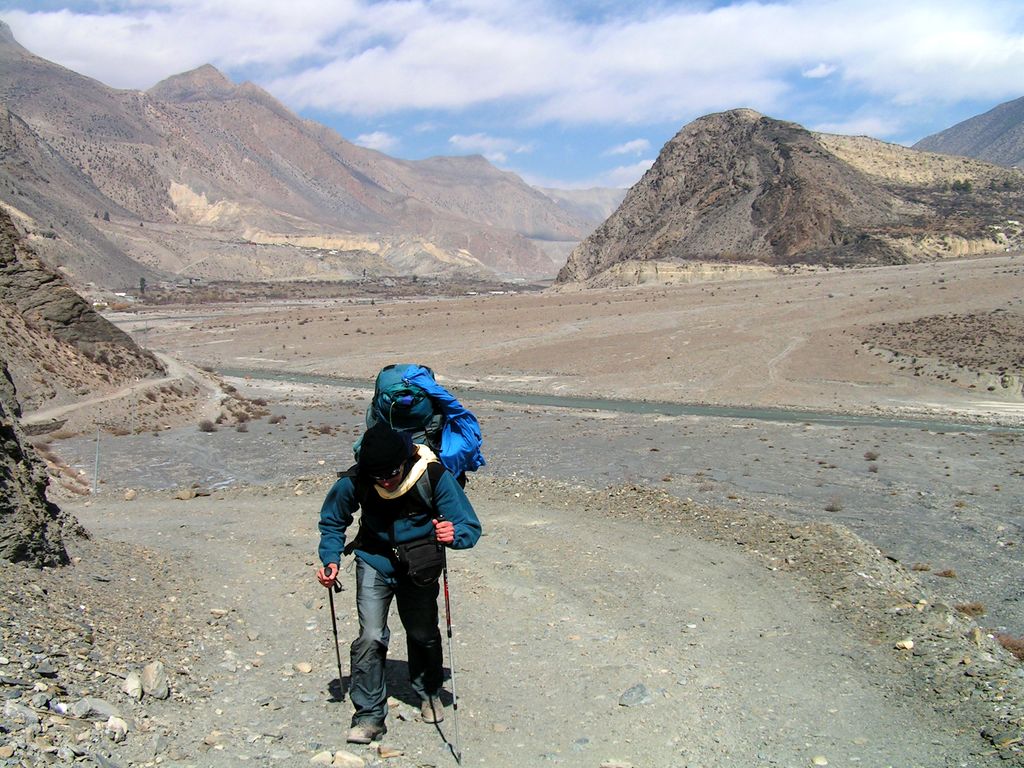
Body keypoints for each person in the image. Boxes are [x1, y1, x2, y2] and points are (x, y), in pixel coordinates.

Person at [316, 421, 482, 744]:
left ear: (404, 461)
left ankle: (429, 691)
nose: (387, 482)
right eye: (379, 477)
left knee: (422, 632)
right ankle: (368, 715)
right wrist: (330, 559)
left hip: (419, 564)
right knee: (370, 636)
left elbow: (469, 526)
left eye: (391, 474)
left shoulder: (432, 476)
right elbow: (333, 519)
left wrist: (454, 534)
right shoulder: (359, 478)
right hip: (373, 559)